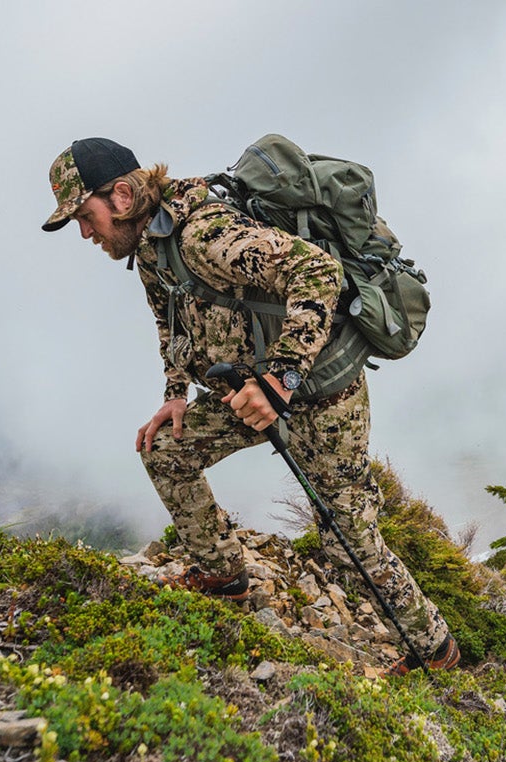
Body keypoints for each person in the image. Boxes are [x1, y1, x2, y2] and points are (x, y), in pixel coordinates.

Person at [41, 137, 459, 673]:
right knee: (167, 449)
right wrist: (175, 394)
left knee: (346, 539)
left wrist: (279, 380)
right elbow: (170, 321)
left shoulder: (204, 235)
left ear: (121, 195)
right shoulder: (150, 243)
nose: (84, 232)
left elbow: (319, 274)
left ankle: (434, 647)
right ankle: (223, 576)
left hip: (325, 400)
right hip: (246, 393)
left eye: (84, 215)